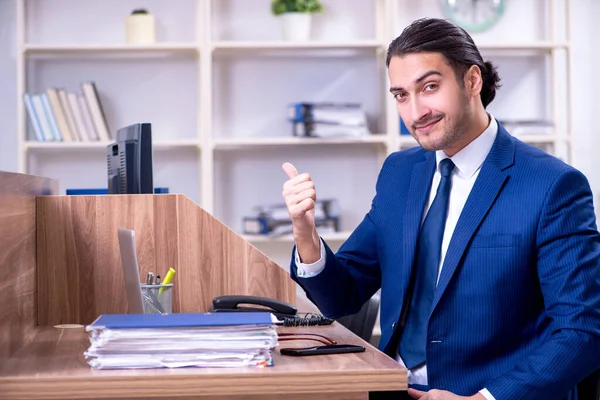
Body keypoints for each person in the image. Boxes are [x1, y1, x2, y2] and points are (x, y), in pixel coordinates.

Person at [281, 17, 600, 400]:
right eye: (401, 95)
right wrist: (305, 232)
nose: (416, 112)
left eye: (429, 87)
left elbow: (582, 331)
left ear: (472, 81)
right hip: (392, 388)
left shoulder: (551, 185)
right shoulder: (400, 173)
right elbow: (343, 296)